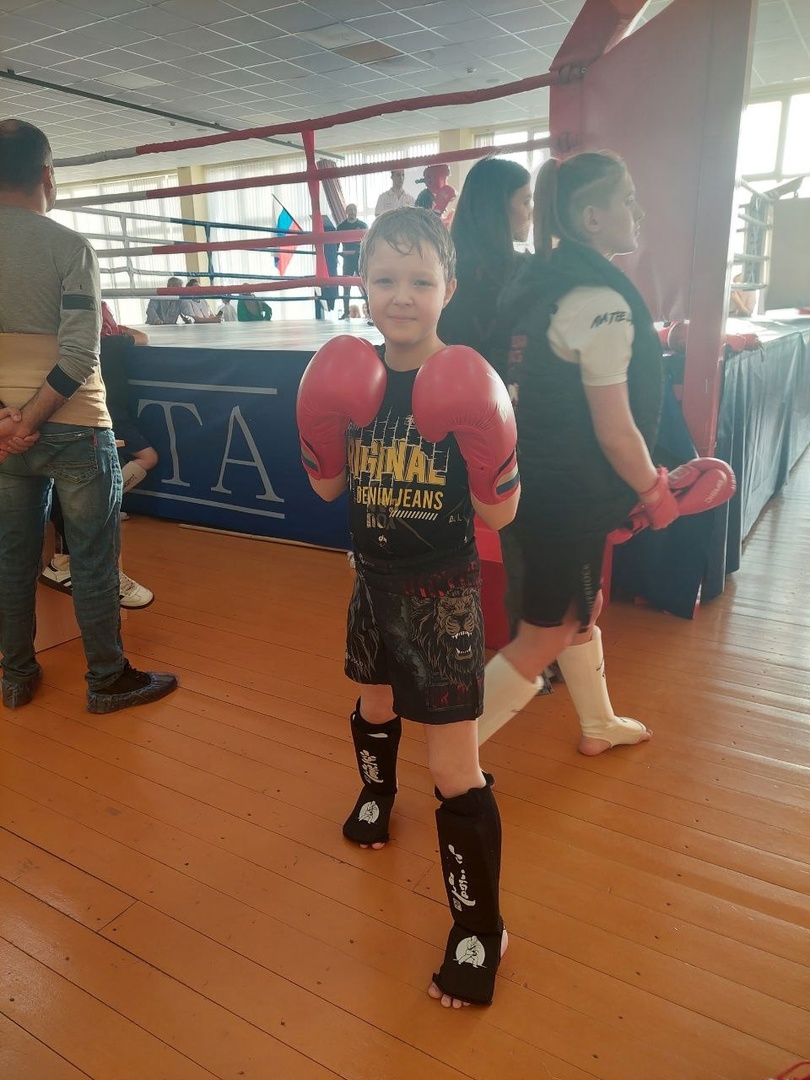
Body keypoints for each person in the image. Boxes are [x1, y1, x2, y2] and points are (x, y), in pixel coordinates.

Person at [296, 207, 520, 1009]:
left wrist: (492, 436)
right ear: (361, 283)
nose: (401, 295)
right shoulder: (349, 376)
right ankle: (375, 793)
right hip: (371, 578)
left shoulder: (466, 378)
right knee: (373, 701)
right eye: (385, 278)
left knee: (454, 769)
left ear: (448, 288)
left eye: (420, 280)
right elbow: (329, 487)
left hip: (443, 594)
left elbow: (500, 513)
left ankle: (480, 927)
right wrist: (319, 423)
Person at [477, 151, 678, 753]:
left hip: (532, 485)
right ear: (592, 217)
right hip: (565, 499)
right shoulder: (599, 302)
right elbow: (616, 430)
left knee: (581, 607)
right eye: (628, 199)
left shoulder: (540, 286)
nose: (638, 212)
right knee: (543, 635)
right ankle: (453, 757)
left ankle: (597, 725)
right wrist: (654, 492)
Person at [0, 118, 178, 713]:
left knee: (12, 560)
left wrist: (8, 423)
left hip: (5, 436)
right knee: (93, 559)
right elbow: (79, 354)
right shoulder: (69, 246)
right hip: (75, 424)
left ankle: (15, 675)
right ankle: (106, 680)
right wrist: (31, 420)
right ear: (47, 177)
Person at [40, 302, 157, 609]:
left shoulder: (60, 348)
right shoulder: (110, 343)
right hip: (93, 419)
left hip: (80, 418)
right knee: (83, 484)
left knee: (67, 486)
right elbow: (142, 337)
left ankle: (70, 556)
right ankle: (72, 557)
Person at [438, 157, 532, 357]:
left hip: (445, 374)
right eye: (526, 202)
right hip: (504, 377)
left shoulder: (441, 268)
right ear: (498, 208)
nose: (531, 212)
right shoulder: (524, 272)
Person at [336, 204, 368, 319]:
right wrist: (335, 256)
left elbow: (367, 242)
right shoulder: (341, 227)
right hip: (347, 259)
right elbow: (336, 243)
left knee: (365, 284)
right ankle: (346, 312)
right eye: (350, 210)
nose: (352, 212)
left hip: (360, 259)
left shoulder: (363, 225)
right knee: (346, 285)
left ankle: (370, 311)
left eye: (354, 209)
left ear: (356, 211)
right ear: (346, 212)